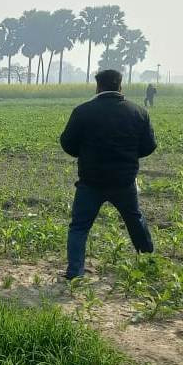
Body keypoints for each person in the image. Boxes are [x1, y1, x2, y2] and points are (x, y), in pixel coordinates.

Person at [60, 69, 157, 280]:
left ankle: (75, 273)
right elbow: (149, 146)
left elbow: (67, 143)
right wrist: (130, 155)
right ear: (120, 86)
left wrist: (83, 152)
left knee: (79, 227)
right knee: (135, 221)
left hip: (91, 181)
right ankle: (149, 262)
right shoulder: (138, 112)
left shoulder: (82, 112)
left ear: (98, 87)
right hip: (124, 182)